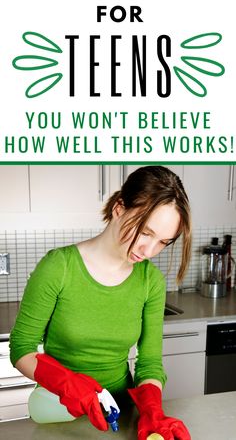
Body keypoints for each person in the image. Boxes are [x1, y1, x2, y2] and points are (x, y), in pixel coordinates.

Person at [10, 165, 192, 440]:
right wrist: (68, 383)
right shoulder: (59, 267)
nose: (149, 251)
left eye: (163, 242)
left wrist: (152, 409)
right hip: (59, 410)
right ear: (119, 208)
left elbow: (150, 362)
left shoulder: (150, 280)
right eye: (145, 232)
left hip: (120, 413)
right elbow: (21, 348)